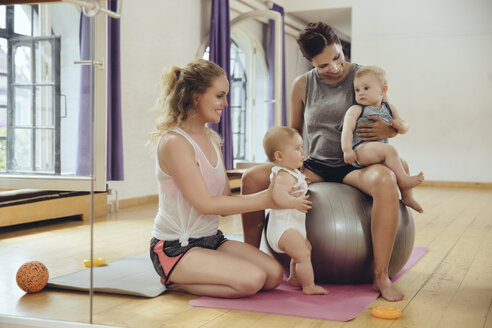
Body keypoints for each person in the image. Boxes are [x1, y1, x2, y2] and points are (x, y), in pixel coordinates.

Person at [241, 22, 408, 301]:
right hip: (316, 163)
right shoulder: (302, 84)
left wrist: (387, 131)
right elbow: (292, 133)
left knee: (386, 180)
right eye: (322, 65)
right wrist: (290, 167)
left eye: (337, 57)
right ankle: (251, 257)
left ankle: (380, 275)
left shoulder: (363, 76)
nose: (333, 67)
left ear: (340, 46)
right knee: (252, 178)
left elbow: (390, 120)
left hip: (355, 164)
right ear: (310, 63)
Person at [148, 59, 311, 298]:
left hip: (212, 240)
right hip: (176, 247)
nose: (225, 103)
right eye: (219, 96)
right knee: (252, 280)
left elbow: (223, 204)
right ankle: (173, 280)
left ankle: (196, 273)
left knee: (274, 275)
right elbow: (205, 204)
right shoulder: (175, 142)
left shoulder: (212, 141)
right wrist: (268, 199)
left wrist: (281, 184)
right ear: (196, 97)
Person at [341, 65, 424, 213]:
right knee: (390, 150)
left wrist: (401, 125)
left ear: (383, 90)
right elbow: (347, 129)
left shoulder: (390, 108)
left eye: (366, 88)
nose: (360, 93)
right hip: (360, 150)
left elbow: (404, 125)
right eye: (357, 89)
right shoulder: (356, 109)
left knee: (402, 163)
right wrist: (347, 149)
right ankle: (404, 180)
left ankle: (407, 196)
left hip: (378, 153)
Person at [263, 126, 328, 295]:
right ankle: (309, 286)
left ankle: (294, 277)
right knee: (302, 255)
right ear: (279, 155)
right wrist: (295, 202)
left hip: (293, 225)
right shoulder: (283, 175)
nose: (303, 152)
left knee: (306, 249)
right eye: (297, 149)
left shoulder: (292, 173)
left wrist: (302, 180)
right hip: (284, 228)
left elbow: (294, 185)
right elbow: (278, 196)